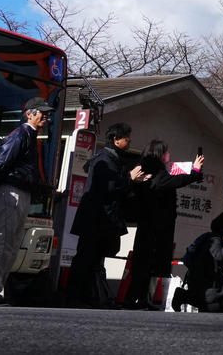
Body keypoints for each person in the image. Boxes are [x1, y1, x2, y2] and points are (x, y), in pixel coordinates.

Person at [0, 96, 51, 305]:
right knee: (2, 244)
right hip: (11, 192)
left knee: (10, 245)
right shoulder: (22, 134)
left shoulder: (29, 135)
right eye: (42, 112)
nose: (46, 115)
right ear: (29, 113)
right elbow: (0, 163)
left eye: (47, 112)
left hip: (17, 192)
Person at [68, 121, 148, 308]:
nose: (129, 141)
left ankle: (90, 296)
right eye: (126, 137)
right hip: (96, 219)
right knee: (87, 258)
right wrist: (130, 178)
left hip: (99, 219)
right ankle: (78, 297)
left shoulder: (111, 159)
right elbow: (111, 188)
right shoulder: (105, 160)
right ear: (115, 139)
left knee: (93, 259)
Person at [122, 139, 205, 309]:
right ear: (159, 154)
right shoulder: (155, 173)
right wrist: (195, 170)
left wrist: (193, 171)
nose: (169, 154)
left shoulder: (149, 170)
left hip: (150, 226)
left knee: (146, 265)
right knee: (147, 264)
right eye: (166, 152)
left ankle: (141, 299)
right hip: (155, 228)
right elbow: (175, 181)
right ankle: (135, 299)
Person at [175, 210, 223, 312]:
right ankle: (182, 296)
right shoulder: (215, 238)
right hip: (201, 281)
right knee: (210, 304)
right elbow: (218, 255)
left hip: (212, 280)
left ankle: (210, 301)